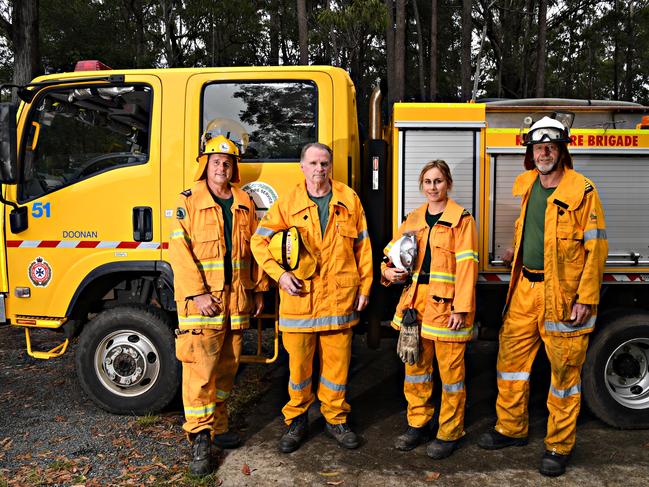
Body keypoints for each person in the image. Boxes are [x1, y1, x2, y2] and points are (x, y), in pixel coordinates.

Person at [477, 116, 608, 477]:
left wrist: (586, 298)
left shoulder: (582, 191)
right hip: (524, 289)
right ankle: (511, 429)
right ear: (530, 153)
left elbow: (595, 249)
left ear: (562, 150)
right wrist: (515, 251)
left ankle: (558, 446)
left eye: (551, 147)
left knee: (564, 374)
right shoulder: (528, 184)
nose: (544, 153)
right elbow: (534, 231)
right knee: (510, 363)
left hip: (563, 296)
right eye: (538, 147)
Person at [250, 142, 372, 453]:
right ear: (302, 167)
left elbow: (363, 248)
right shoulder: (287, 202)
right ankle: (297, 420)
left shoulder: (348, 199)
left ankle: (336, 419)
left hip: (339, 301)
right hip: (300, 301)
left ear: (330, 167)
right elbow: (259, 243)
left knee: (337, 369)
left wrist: (365, 288)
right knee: (298, 371)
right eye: (314, 163)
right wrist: (280, 275)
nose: (319, 169)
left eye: (324, 164)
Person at [169, 134, 268, 476]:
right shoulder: (189, 201)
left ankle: (219, 427)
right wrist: (197, 294)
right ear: (205, 165)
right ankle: (199, 437)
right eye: (215, 161)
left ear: (234, 168)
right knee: (200, 371)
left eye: (227, 162)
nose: (221, 167)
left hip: (236, 300)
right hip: (204, 303)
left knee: (228, 367)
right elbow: (179, 253)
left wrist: (257, 290)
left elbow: (256, 250)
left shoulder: (243, 202)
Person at [382, 160, 478, 459]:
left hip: (448, 309)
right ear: (421, 186)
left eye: (438, 181)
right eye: (427, 182)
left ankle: (449, 432)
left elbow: (467, 268)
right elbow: (391, 254)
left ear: (447, 183)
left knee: (451, 376)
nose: (433, 187)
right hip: (415, 305)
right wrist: (387, 273)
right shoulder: (413, 219)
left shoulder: (462, 220)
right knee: (416, 370)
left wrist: (461, 309)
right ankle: (418, 425)